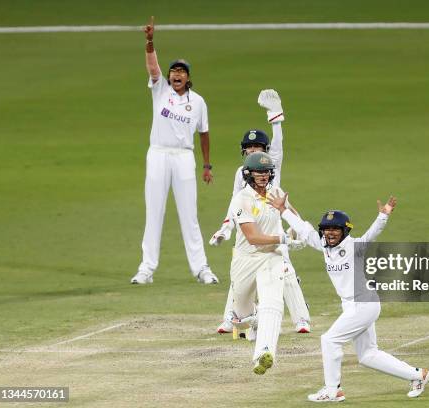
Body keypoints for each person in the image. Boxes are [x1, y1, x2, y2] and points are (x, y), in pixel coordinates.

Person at [267, 193, 429, 402]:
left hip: (363, 304)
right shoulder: (324, 246)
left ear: (344, 231)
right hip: (353, 306)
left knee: (329, 340)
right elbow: (303, 228)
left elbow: (371, 235)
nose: (330, 234)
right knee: (367, 356)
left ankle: (332, 390)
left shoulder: (354, 247)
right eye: (327, 230)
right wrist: (283, 211)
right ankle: (419, 376)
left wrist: (383, 215)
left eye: (335, 230)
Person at [209, 90, 311, 334]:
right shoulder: (239, 173)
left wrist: (276, 119)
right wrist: (225, 228)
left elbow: (279, 146)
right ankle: (230, 319)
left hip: (273, 227)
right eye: (249, 148)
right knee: (241, 276)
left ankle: (302, 320)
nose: (254, 152)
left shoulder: (271, 165)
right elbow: (234, 203)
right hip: (249, 229)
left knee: (285, 272)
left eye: (258, 147)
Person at [131, 16, 218, 285]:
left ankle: (201, 268)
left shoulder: (199, 102)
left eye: (181, 72)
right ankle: (146, 268)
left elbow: (204, 133)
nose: (176, 74)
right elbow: (152, 67)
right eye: (173, 71)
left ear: (188, 77)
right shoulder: (160, 90)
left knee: (189, 215)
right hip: (158, 154)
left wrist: (206, 165)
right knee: (154, 211)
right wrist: (149, 41)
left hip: (183, 157)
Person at [228, 151, 292, 375]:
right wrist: (284, 238)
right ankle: (252, 319)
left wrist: (298, 233)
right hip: (246, 260)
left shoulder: (277, 193)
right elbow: (253, 238)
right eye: (259, 172)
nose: (263, 176)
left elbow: (292, 217)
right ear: (248, 174)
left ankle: (264, 352)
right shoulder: (241, 199)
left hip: (271, 257)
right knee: (240, 318)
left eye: (266, 171)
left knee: (272, 303)